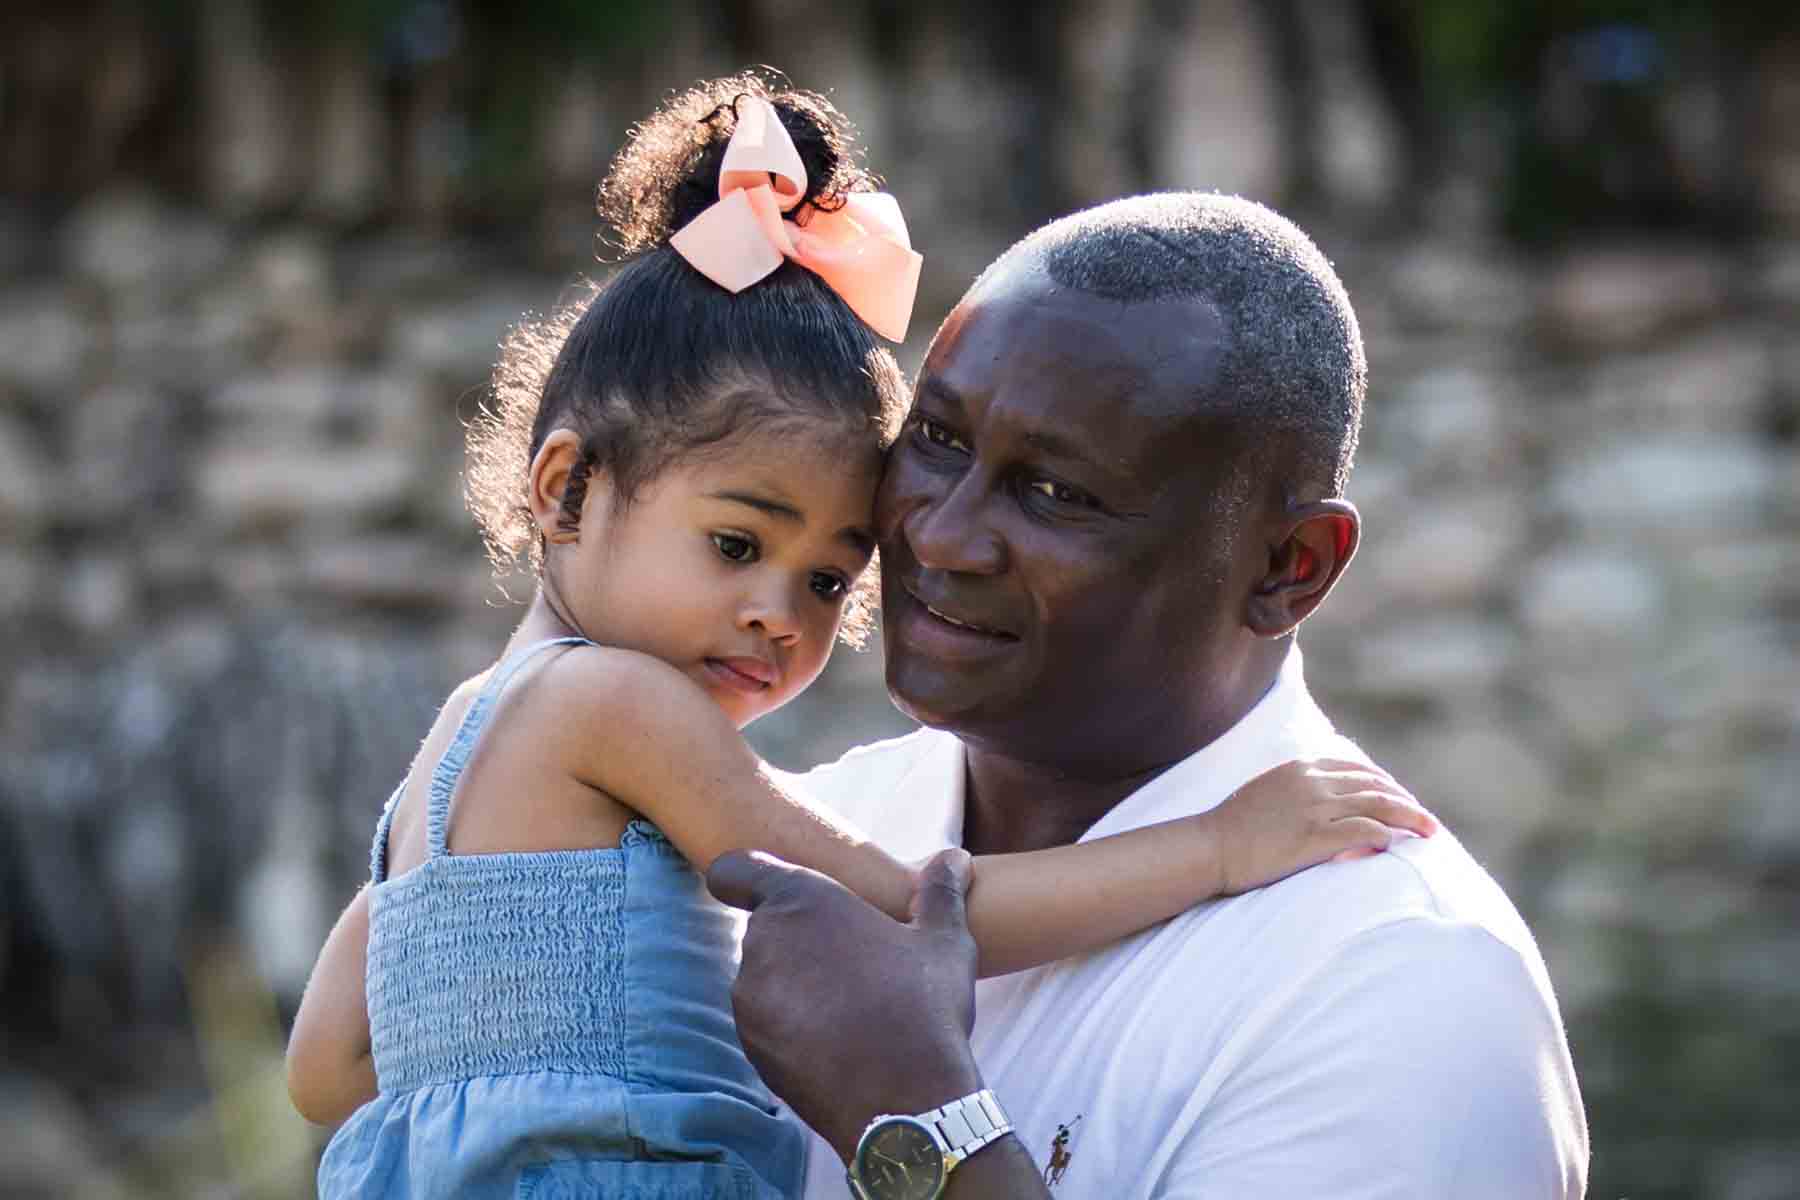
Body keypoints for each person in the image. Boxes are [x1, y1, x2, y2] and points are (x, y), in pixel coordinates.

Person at [282, 78, 1434, 1199]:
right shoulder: (619, 708)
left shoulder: (451, 755)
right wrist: (1220, 849)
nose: (781, 614)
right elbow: (915, 916)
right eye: (738, 546)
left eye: (832, 576)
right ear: (567, 487)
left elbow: (325, 1069)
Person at [710, 193, 1591, 1199]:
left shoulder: (1396, 982)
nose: (942, 537)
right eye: (940, 443)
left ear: (1288, 568)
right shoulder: (824, 830)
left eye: (1056, 493)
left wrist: (915, 1124)